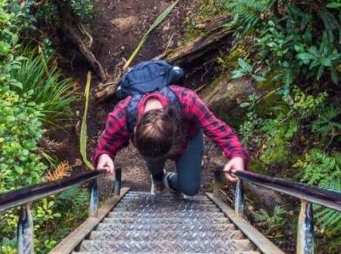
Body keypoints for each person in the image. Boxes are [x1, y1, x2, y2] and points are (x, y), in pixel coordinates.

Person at [93, 82, 249, 195]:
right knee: (154, 166)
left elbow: (217, 128)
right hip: (150, 147)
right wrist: (104, 155)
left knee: (190, 189)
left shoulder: (187, 101)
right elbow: (106, 144)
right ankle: (158, 178)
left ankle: (170, 180)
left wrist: (237, 155)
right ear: (135, 129)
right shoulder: (123, 114)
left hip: (188, 140)